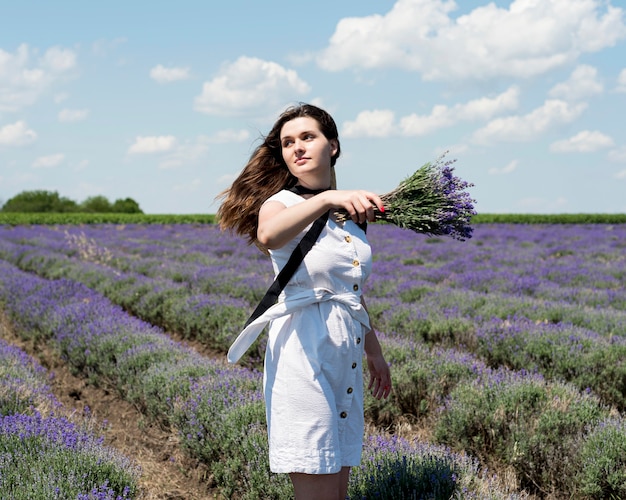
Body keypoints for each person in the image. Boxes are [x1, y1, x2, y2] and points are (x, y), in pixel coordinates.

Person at [217, 103, 392, 500]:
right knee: (317, 488)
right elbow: (269, 236)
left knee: (338, 488)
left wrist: (374, 352)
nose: (296, 147)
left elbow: (350, 291)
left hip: (344, 352)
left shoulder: (351, 217)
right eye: (287, 143)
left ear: (333, 146)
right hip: (304, 351)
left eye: (307, 137)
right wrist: (330, 197)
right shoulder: (280, 203)